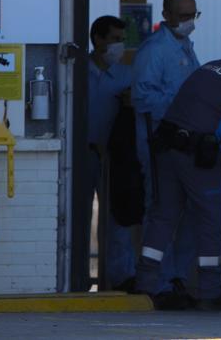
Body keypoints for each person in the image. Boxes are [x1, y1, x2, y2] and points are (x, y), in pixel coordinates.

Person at [135, 56, 221, 311]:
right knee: (210, 220)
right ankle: (209, 292)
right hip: (198, 154)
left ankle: (146, 285)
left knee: (164, 215)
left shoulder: (213, 67)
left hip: (168, 146)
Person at [132, 0, 202, 301]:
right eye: (184, 16)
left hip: (184, 145)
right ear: (167, 16)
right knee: (160, 211)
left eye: (193, 16)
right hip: (159, 143)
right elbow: (142, 98)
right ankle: (156, 282)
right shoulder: (154, 51)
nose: (189, 22)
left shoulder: (185, 47)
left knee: (187, 212)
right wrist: (181, 102)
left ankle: (177, 279)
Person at [86, 15, 136, 292]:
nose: (120, 46)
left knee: (118, 218)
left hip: (114, 158)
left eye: (122, 40)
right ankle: (77, 274)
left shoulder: (125, 76)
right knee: (78, 217)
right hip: (83, 156)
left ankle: (121, 275)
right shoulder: (77, 72)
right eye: (115, 40)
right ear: (98, 40)